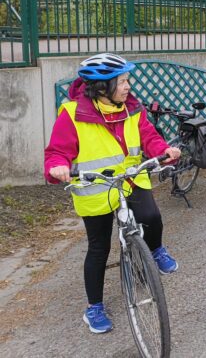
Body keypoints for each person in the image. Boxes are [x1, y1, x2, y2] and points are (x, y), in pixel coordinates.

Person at [44, 53, 182, 334]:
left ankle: (155, 249)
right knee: (99, 248)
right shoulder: (72, 113)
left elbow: (149, 136)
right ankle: (94, 307)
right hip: (95, 188)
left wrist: (163, 150)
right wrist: (57, 167)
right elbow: (57, 151)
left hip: (130, 179)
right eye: (121, 82)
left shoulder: (132, 108)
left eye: (127, 80)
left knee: (151, 217)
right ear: (101, 87)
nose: (127, 86)